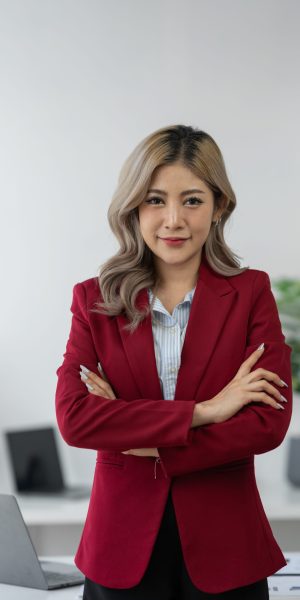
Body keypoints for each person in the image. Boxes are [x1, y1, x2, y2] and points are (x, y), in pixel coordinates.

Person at [55, 124, 293, 599]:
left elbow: (266, 422)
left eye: (192, 200)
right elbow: (76, 419)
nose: (173, 220)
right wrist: (206, 412)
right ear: (133, 207)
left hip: (228, 546)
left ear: (219, 205)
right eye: (155, 200)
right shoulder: (94, 300)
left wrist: (145, 442)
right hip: (119, 545)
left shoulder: (250, 293)